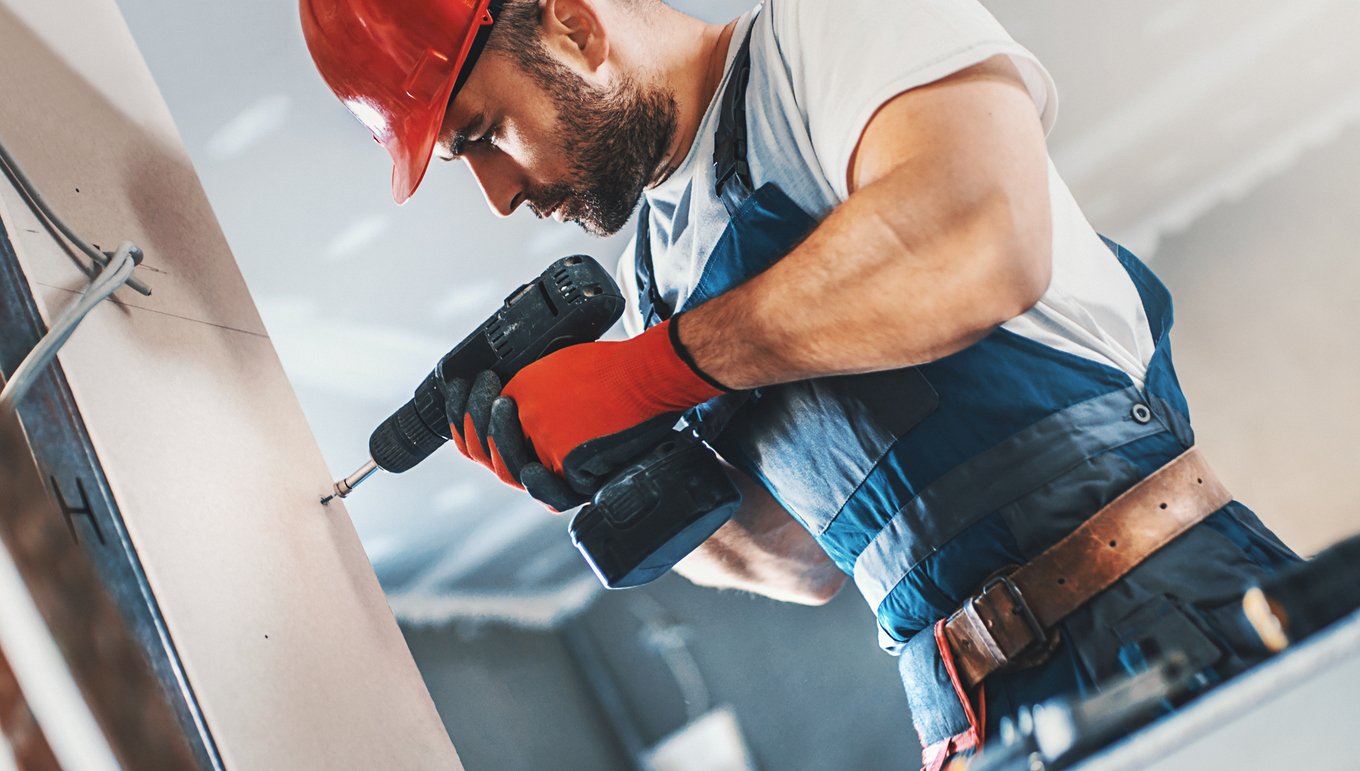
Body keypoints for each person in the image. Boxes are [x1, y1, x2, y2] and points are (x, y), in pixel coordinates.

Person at [300, 0, 1300, 765]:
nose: (500, 192)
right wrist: (611, 474)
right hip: (966, 719)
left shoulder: (827, 35)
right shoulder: (657, 284)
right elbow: (809, 565)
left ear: (569, 20)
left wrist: (651, 374)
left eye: (479, 135)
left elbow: (980, 238)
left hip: (1155, 612)